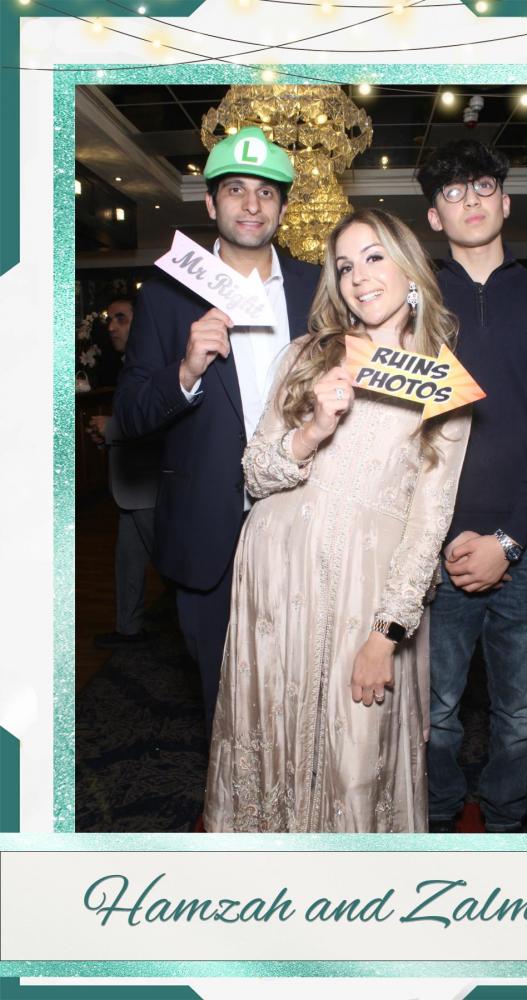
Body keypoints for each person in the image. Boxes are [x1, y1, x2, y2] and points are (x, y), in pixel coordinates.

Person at [203, 209, 471, 833]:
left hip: (364, 593)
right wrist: (312, 430)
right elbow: (256, 473)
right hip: (276, 580)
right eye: (345, 266)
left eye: (375, 257)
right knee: (269, 734)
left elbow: (428, 524)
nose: (359, 277)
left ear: (410, 270)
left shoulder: (444, 384)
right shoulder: (308, 355)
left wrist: (385, 635)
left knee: (355, 756)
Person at [114, 127, 320, 737]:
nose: (252, 205)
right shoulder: (166, 296)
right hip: (208, 528)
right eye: (235, 190)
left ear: (283, 207)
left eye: (266, 192)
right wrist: (184, 371)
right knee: (223, 699)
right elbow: (131, 413)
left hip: (304, 520)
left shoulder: (316, 288)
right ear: (210, 203)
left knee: (303, 688)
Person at [417, 139, 527, 833]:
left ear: (506, 202)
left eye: (483, 186)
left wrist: (508, 540)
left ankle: (506, 820)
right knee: (432, 713)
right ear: (434, 217)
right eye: (453, 192)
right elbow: (399, 437)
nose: (471, 200)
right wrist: (434, 535)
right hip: (434, 546)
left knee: (520, 715)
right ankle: (434, 816)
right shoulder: (413, 307)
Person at [87, 297, 162, 649]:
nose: (112, 326)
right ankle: (129, 630)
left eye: (121, 319)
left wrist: (112, 428)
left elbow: (161, 423)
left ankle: (201, 637)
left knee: (172, 566)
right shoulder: (129, 366)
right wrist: (108, 437)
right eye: (109, 319)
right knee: (127, 561)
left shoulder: (153, 367)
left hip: (150, 485)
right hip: (129, 486)